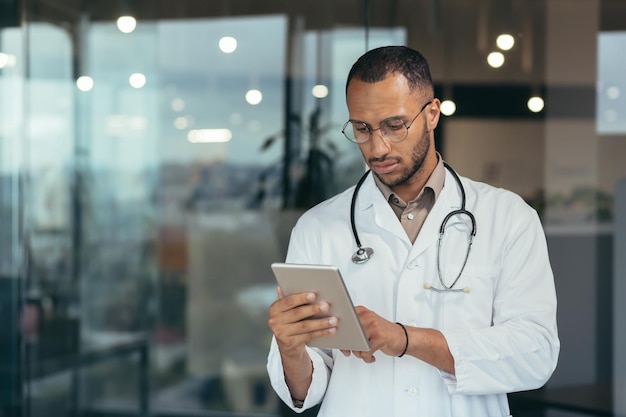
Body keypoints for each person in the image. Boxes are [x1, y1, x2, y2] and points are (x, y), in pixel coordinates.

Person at [266, 45, 559, 417]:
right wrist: (290, 349)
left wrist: (406, 339)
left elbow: (536, 354)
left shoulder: (508, 217)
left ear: (432, 114)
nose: (378, 147)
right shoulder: (318, 226)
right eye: (362, 129)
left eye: (394, 125)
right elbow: (307, 386)